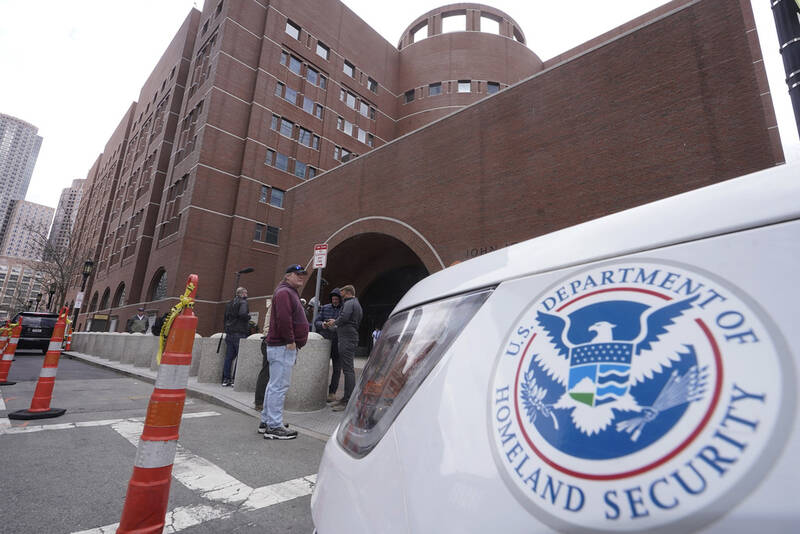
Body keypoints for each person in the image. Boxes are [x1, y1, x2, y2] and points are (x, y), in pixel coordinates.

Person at [259, 265, 309, 440]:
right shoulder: (284, 293)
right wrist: (290, 341)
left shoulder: (289, 292)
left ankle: (267, 421)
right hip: (283, 346)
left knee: (274, 385)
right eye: (298, 274)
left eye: (303, 274)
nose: (302, 277)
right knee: (279, 387)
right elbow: (283, 318)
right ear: (288, 276)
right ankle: (274, 426)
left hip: (281, 345)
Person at [324, 284, 362, 412]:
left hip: (347, 339)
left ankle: (347, 401)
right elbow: (347, 320)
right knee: (347, 369)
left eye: (342, 293)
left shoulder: (350, 303)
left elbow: (344, 317)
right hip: (348, 337)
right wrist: (334, 324)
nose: (340, 295)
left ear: (347, 292)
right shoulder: (354, 303)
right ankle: (346, 398)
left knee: (348, 370)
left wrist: (333, 322)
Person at [314, 288, 342, 402]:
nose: (334, 301)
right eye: (333, 299)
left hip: (337, 341)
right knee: (321, 366)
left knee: (337, 369)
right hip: (325, 341)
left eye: (336, 299)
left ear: (340, 299)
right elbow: (316, 322)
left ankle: (332, 393)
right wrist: (323, 324)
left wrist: (335, 323)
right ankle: (318, 391)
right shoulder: (325, 308)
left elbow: (344, 323)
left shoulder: (344, 309)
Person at [222, 287, 249, 387]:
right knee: (239, 356)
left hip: (229, 333)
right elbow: (243, 314)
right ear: (242, 294)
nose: (247, 295)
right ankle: (234, 379)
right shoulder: (243, 302)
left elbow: (225, 318)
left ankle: (226, 379)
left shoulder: (229, 303)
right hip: (239, 332)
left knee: (228, 357)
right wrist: (248, 317)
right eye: (246, 293)